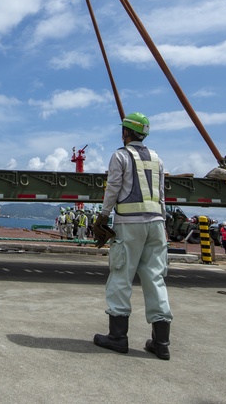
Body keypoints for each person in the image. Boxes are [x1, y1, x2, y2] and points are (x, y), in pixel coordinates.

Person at [92, 112, 172, 360]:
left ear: (126, 132)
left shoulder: (120, 155)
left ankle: (117, 337)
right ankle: (161, 343)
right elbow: (160, 195)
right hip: (156, 224)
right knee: (155, 278)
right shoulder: (157, 158)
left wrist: (103, 216)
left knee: (121, 275)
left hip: (129, 224)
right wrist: (163, 222)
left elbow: (113, 187)